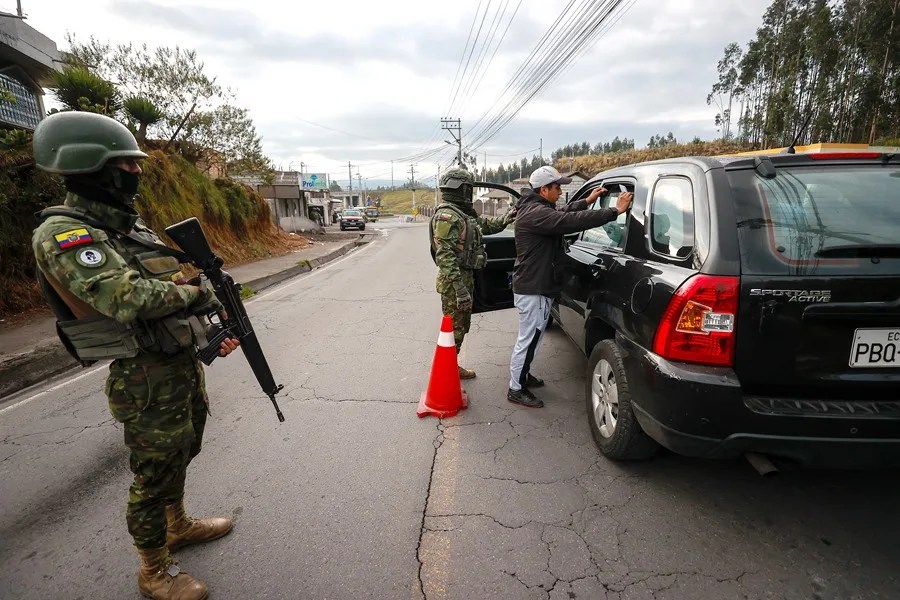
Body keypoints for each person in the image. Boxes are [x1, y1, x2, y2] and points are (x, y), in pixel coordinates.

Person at [31, 111, 240, 600]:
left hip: (177, 362)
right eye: (127, 165)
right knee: (152, 473)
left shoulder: (129, 229)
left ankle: (177, 525)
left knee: (184, 449)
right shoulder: (67, 235)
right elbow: (125, 298)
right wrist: (194, 293)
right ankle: (153, 571)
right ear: (93, 167)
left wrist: (212, 327)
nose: (136, 173)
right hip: (143, 377)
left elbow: (168, 282)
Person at [506, 166, 632, 408]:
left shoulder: (537, 208)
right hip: (533, 288)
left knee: (534, 337)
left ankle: (522, 374)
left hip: (536, 285)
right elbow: (567, 221)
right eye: (557, 187)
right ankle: (516, 387)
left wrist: (588, 200)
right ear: (544, 189)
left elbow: (564, 211)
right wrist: (614, 210)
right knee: (528, 339)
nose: (560, 190)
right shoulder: (535, 213)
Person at [430, 167, 515, 379]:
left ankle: (451, 366)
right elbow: (445, 257)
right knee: (455, 328)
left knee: (462, 325)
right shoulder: (447, 217)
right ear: (460, 189)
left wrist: (507, 218)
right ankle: (447, 372)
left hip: (465, 277)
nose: (469, 193)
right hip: (454, 282)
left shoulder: (463, 214)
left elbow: (485, 226)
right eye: (468, 189)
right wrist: (459, 289)